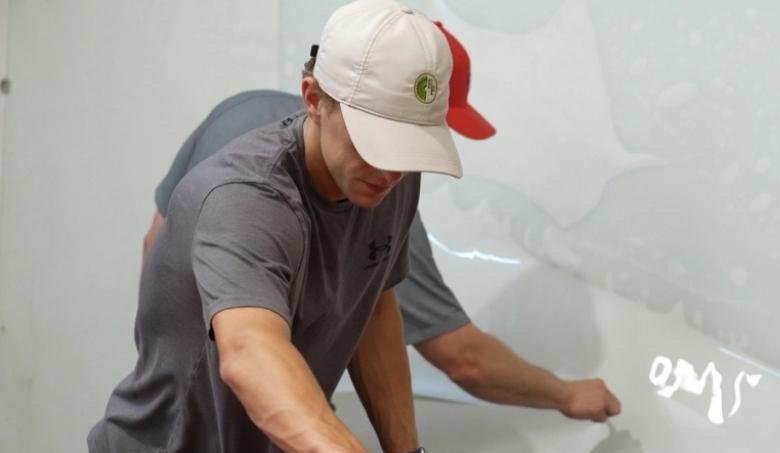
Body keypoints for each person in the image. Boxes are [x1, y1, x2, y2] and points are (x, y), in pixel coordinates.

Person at [80, 0, 465, 453]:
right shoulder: (247, 198)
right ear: (314, 100)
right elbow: (249, 351)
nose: (392, 170)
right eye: (374, 142)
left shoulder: (389, 183)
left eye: (408, 149)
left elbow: (374, 308)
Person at [145, 26, 621, 427]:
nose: (396, 166)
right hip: (250, 441)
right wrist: (565, 394)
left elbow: (157, 246)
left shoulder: (241, 113)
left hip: (164, 417)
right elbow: (463, 357)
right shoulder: (362, 186)